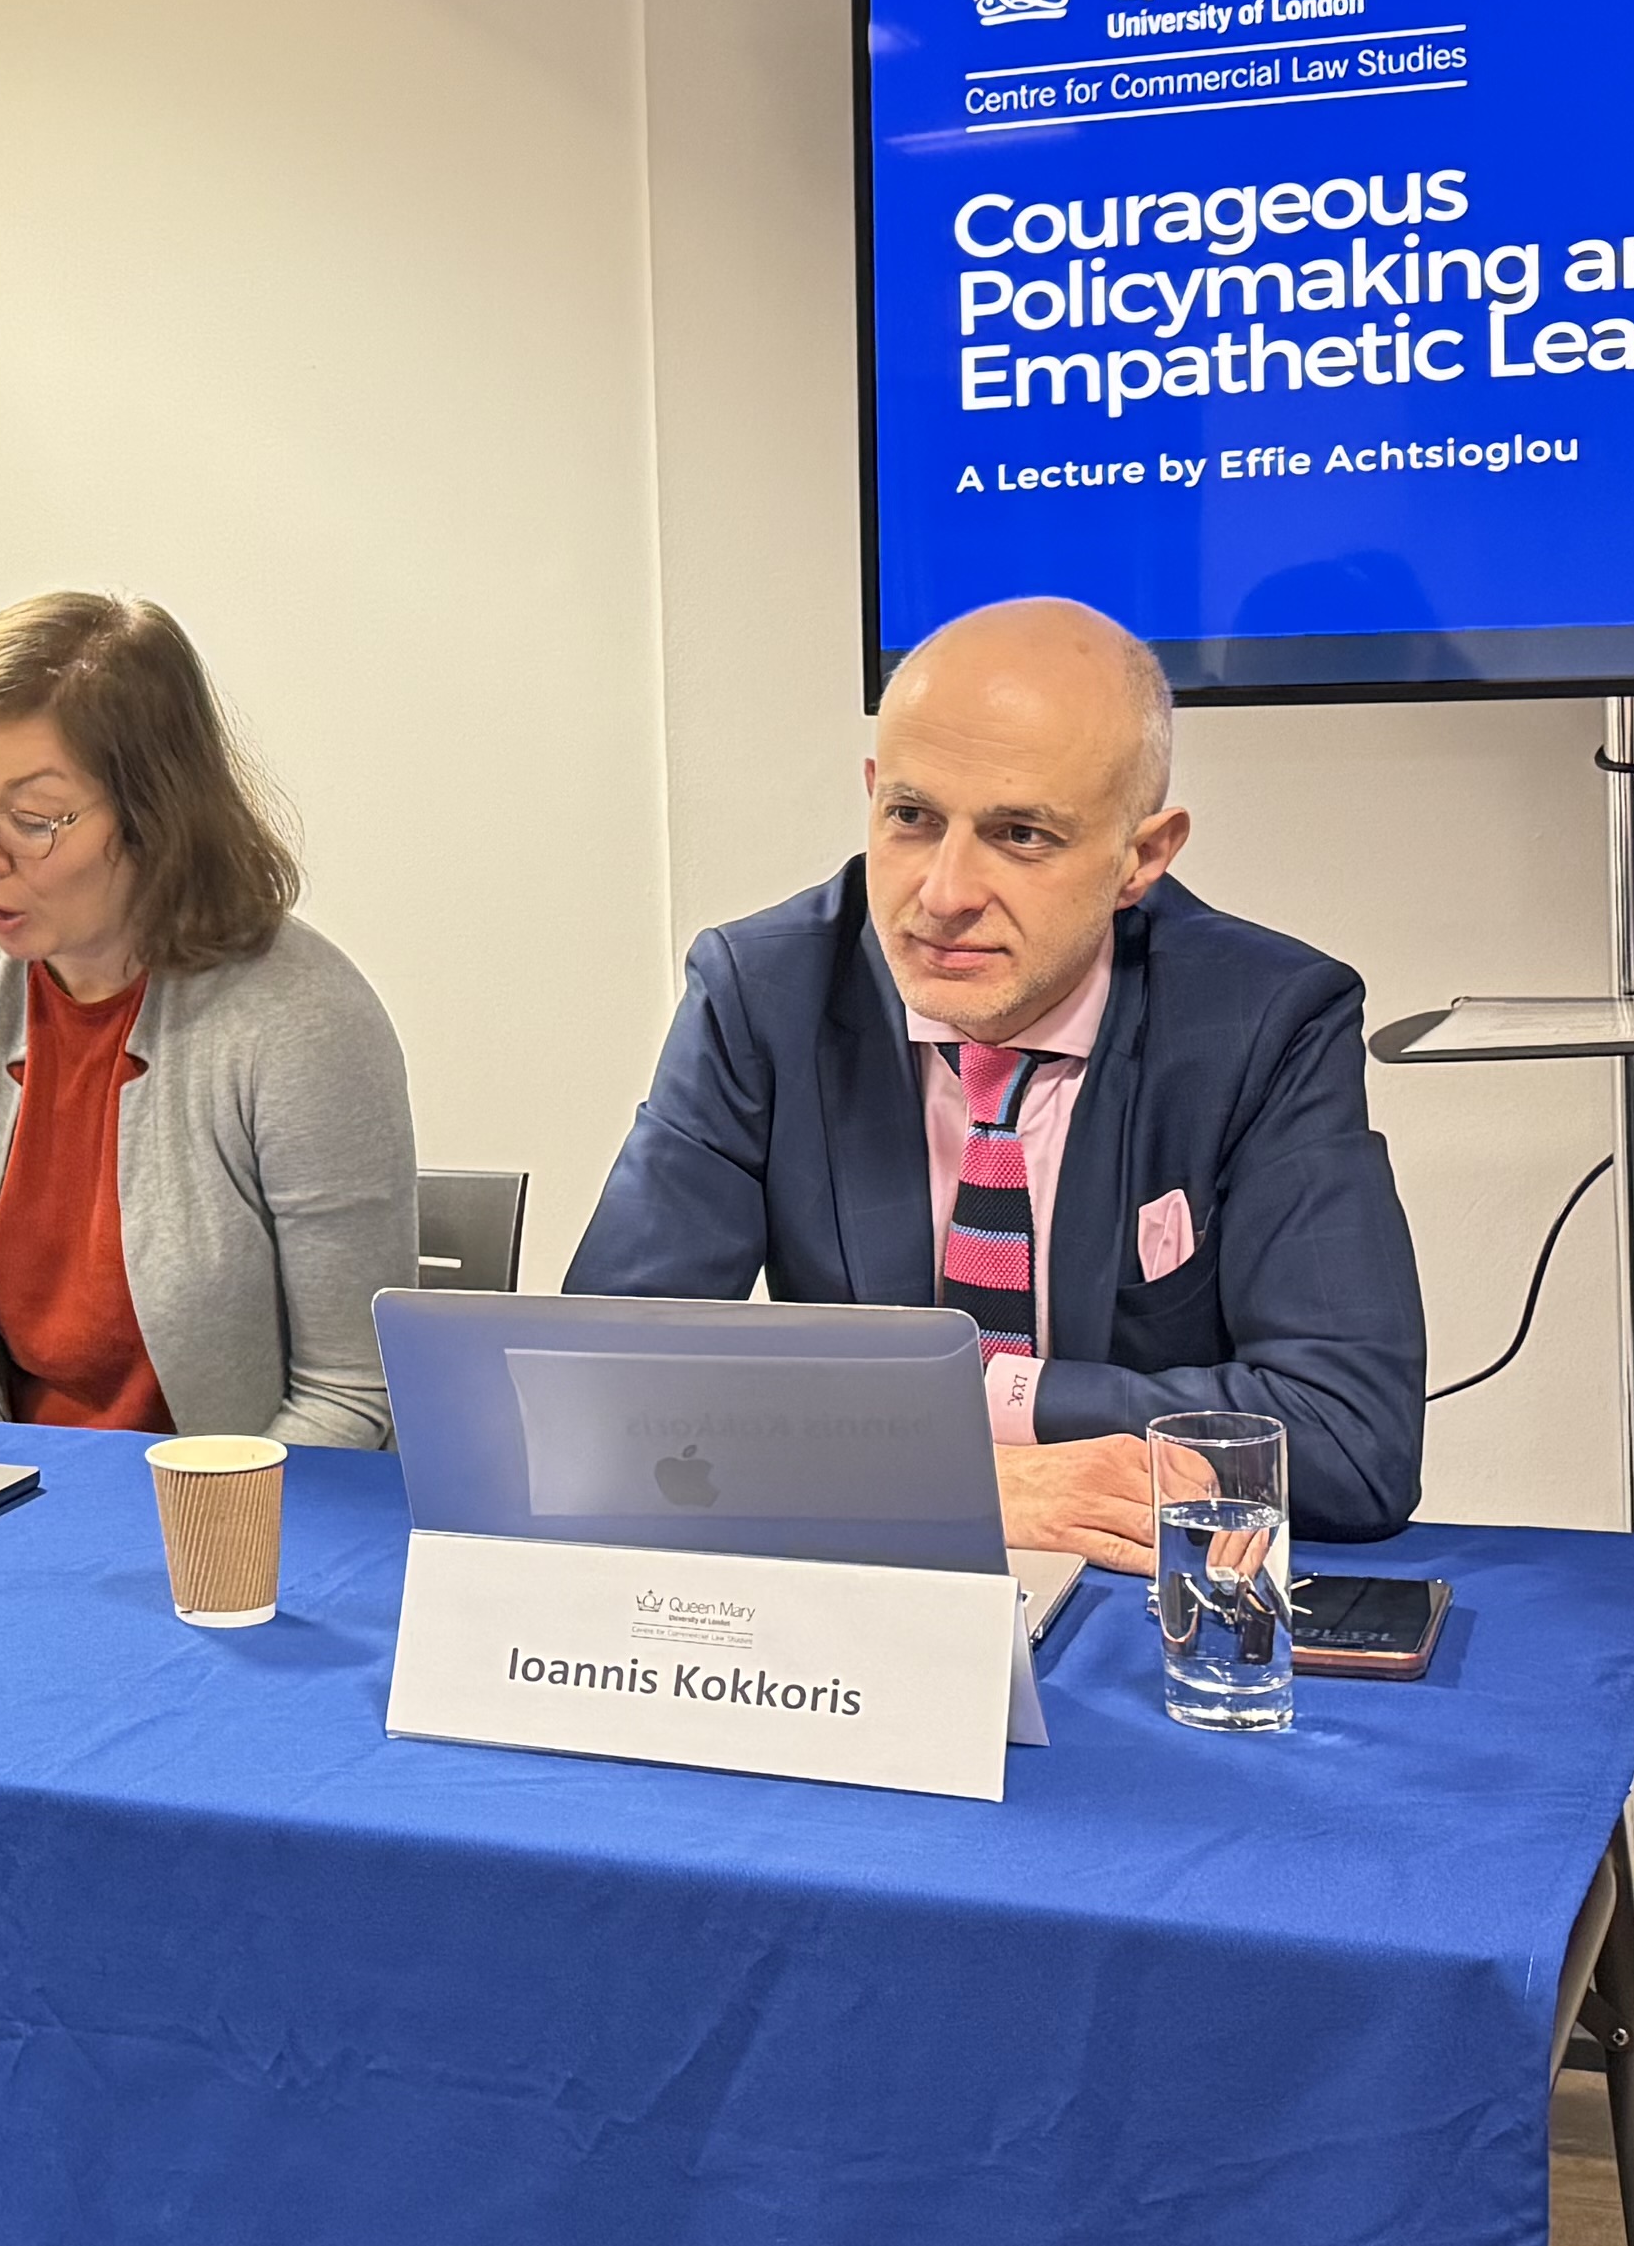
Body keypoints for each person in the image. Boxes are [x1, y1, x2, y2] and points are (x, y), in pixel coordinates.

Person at [569, 595, 1425, 1560]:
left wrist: (988, 1397)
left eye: (1021, 835)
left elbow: (1352, 1444)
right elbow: (602, 1390)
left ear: (1141, 856)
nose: (942, 895)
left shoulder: (1265, 1020)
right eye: (911, 817)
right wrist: (953, 1486)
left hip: (1135, 1604)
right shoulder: (762, 993)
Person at [0, 593, 416, 1449]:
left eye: (33, 819)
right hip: (22, 1511)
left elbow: (350, 1393)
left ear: (156, 814)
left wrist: (193, 1546)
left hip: (245, 1528)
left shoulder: (301, 1022)